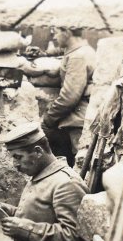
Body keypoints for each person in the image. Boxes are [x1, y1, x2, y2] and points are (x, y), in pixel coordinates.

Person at [41, 27, 96, 166]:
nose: (54, 37)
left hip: (78, 120)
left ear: (67, 32)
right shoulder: (81, 50)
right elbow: (62, 51)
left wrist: (49, 118)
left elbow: (70, 97)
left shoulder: (77, 57)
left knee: (81, 165)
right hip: (80, 118)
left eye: (55, 32)